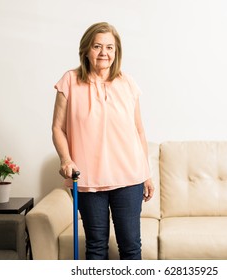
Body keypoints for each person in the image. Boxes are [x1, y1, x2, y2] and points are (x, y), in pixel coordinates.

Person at [51, 22, 154, 260]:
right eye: (97, 46)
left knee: (130, 247)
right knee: (96, 247)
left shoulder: (127, 83)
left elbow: (139, 130)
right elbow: (57, 128)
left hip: (129, 178)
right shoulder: (69, 80)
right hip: (88, 178)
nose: (103, 53)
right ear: (86, 49)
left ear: (116, 51)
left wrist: (146, 173)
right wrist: (66, 159)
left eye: (110, 47)